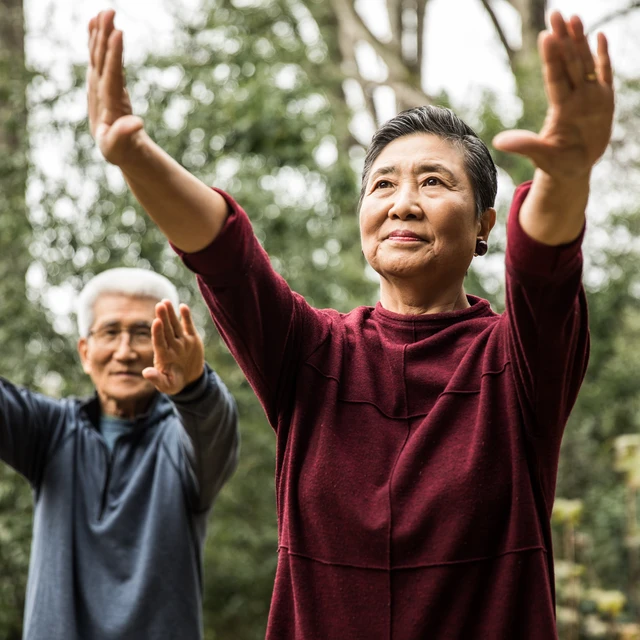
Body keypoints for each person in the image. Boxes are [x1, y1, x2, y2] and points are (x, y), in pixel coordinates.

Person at [87, 7, 614, 639]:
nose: (403, 203)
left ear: (483, 226)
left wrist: (568, 176)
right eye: (382, 184)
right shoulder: (312, 356)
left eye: (435, 182)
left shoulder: (516, 365)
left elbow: (545, 275)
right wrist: (135, 154)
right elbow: (229, 258)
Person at [0, 267, 239, 640]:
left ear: (169, 343)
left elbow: (214, 430)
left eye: (144, 333)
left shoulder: (181, 443)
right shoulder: (49, 433)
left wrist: (194, 387)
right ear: (85, 351)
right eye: (110, 332)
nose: (125, 351)